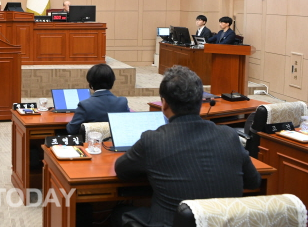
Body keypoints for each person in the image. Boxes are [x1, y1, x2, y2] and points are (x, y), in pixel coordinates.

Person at [112, 65, 261, 227]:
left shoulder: (153, 140)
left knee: (119, 213)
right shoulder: (229, 135)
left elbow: (122, 171)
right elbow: (253, 182)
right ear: (200, 101)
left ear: (164, 104)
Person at [66, 64, 130, 134]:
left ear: (90, 84)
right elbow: (128, 125)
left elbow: (72, 130)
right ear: (112, 81)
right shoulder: (122, 102)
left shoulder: (85, 105)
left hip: (92, 143)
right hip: (116, 143)